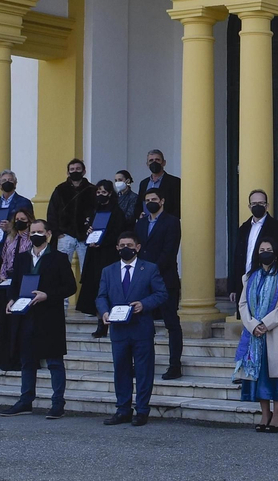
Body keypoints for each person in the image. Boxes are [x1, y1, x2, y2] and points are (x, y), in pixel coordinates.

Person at [0, 219, 75, 418]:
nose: (36, 235)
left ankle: (58, 403)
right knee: (27, 361)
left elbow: (70, 287)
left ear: (48, 233)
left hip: (50, 316)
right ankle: (25, 400)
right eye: (33, 232)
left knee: (54, 362)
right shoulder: (22, 258)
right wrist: (11, 299)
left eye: (40, 231)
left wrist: (47, 295)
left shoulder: (59, 258)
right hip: (26, 316)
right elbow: (15, 283)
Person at [96, 231, 168, 426]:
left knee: (144, 371)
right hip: (118, 330)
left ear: (137, 247)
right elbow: (101, 296)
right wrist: (103, 312)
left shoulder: (150, 269)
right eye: (122, 245)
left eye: (129, 245)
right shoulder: (108, 271)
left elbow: (161, 294)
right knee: (121, 370)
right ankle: (123, 410)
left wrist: (143, 304)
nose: (125, 248)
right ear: (117, 248)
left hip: (141, 328)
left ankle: (142, 410)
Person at [236, 233, 278, 432]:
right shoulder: (250, 276)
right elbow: (243, 304)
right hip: (255, 334)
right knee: (259, 376)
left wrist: (265, 323)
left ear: (276, 253)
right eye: (262, 251)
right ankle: (264, 414)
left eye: (269, 251)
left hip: (277, 332)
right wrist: (253, 325)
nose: (265, 254)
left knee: (277, 376)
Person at [135, 188, 184, 379]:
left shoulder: (172, 222)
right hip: (143, 282)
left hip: (165, 279)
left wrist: (151, 272)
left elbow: (169, 251)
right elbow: (137, 248)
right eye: (147, 200)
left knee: (171, 323)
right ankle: (142, 363)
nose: (150, 203)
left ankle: (175, 365)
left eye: (154, 199)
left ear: (162, 201)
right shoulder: (140, 223)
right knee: (143, 324)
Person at [0, 170, 33, 334]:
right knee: (0, 291)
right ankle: (2, 323)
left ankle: (17, 319)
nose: (7, 182)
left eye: (10, 180)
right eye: (4, 180)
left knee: (17, 288)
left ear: (15, 183)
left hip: (17, 250)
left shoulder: (23, 202)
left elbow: (29, 224)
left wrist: (10, 228)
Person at [78, 180, 128, 338]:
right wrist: (89, 232)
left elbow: (118, 233)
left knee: (109, 288)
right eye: (98, 192)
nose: (100, 195)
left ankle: (113, 320)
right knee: (95, 288)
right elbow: (89, 228)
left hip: (109, 255)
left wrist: (103, 241)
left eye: (104, 192)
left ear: (110, 193)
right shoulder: (95, 211)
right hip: (94, 255)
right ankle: (101, 322)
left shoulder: (117, 212)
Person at [0, 206, 35, 337]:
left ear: (29, 221)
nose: (19, 221)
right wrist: (2, 275)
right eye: (17, 219)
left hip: (24, 278)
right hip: (9, 277)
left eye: (23, 219)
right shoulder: (10, 238)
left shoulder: (31, 239)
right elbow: (4, 258)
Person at [231, 190, 275, 303]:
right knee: (247, 318)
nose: (257, 206)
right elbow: (237, 258)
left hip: (267, 281)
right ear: (249, 206)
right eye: (254, 204)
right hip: (246, 281)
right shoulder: (243, 228)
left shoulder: (277, 228)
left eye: (261, 203)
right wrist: (234, 288)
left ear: (267, 206)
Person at [46, 158, 94, 257]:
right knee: (62, 266)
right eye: (72, 169)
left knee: (86, 268)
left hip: (85, 235)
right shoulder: (60, 189)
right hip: (65, 234)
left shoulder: (92, 189)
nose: (75, 171)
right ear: (68, 172)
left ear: (84, 171)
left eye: (78, 169)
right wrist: (57, 232)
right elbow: (52, 211)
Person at [136, 149, 182, 220]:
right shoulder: (144, 183)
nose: (154, 162)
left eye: (157, 160)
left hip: (166, 223)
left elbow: (178, 205)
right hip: (147, 222)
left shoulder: (174, 182)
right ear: (147, 164)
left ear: (164, 163)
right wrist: (139, 215)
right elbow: (139, 204)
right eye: (151, 160)